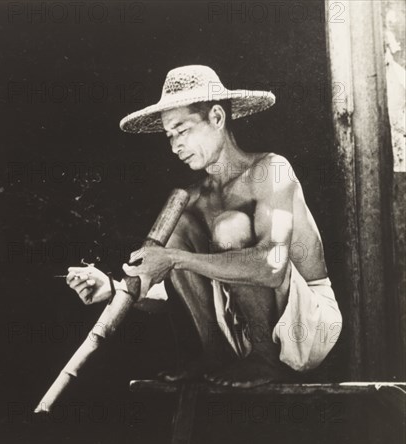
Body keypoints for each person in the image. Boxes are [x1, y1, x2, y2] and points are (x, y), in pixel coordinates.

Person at [66, 65, 342, 388]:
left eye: (182, 131)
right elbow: (178, 289)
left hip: (309, 329)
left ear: (216, 118)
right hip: (244, 334)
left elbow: (273, 267)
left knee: (228, 227)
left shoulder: (274, 171)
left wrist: (175, 259)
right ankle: (216, 354)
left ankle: (265, 359)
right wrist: (112, 288)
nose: (174, 147)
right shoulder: (195, 199)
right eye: (169, 136)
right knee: (179, 229)